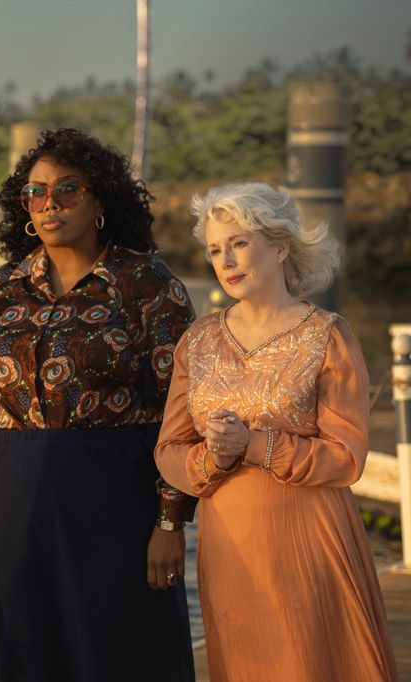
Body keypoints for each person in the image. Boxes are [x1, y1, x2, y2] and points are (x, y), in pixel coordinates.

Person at [0, 128, 197, 680]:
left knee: (121, 653)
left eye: (67, 188)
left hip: (116, 502)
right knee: (29, 653)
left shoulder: (147, 284)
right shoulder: (3, 287)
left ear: (100, 197)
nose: (49, 204)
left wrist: (171, 520)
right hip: (17, 501)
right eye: (35, 193)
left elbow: (182, 411)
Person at [155, 182, 397, 681]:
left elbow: (347, 456)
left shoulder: (326, 334)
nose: (226, 259)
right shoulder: (198, 341)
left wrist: (254, 444)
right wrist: (215, 459)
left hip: (309, 538)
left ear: (281, 246)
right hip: (230, 547)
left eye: (239, 243)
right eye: (216, 249)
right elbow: (170, 450)